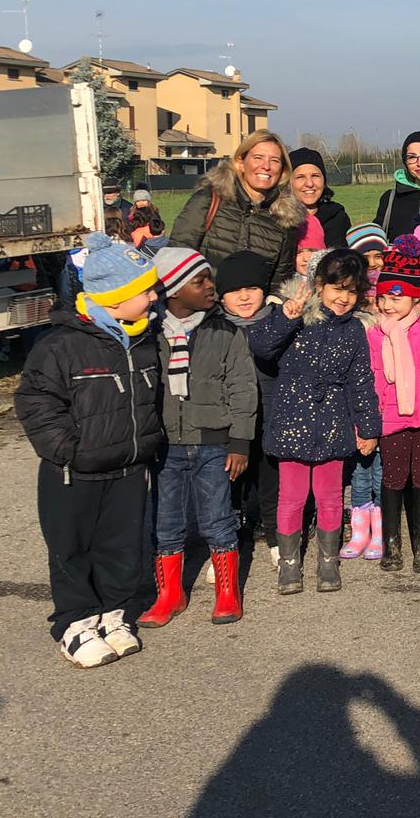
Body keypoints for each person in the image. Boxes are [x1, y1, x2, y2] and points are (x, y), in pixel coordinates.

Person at [14, 233, 161, 668]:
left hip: (130, 467)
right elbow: (37, 404)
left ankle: (113, 615)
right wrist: (69, 449)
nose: (155, 297)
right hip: (74, 472)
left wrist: (149, 441)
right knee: (73, 548)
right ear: (115, 299)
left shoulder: (144, 340)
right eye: (145, 291)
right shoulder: (60, 346)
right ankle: (76, 623)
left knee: (122, 546)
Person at [248, 250, 380, 596]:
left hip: (334, 420)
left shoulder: (354, 331)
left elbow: (361, 380)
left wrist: (368, 427)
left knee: (330, 496)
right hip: (293, 416)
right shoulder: (296, 317)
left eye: (351, 292)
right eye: (337, 288)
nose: (344, 298)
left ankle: (327, 559)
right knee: (291, 497)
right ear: (319, 285)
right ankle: (289, 564)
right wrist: (286, 317)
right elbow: (260, 346)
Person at [138, 248, 257, 627]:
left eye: (209, 279)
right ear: (173, 289)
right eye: (199, 281)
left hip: (213, 442)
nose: (211, 287)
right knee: (167, 522)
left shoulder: (224, 331)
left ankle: (227, 592)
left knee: (218, 518)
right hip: (166, 443)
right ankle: (169, 594)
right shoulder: (150, 335)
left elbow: (242, 388)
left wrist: (239, 441)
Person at [361, 235, 420, 574]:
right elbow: (369, 378)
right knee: (394, 478)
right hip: (391, 418)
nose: (387, 304)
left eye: (395, 297)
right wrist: (367, 421)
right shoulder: (374, 331)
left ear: (415, 295)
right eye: (383, 296)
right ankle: (392, 543)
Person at [172, 130, 305, 290]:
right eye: (258, 158)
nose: (266, 166)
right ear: (241, 162)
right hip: (204, 309)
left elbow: (279, 283)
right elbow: (177, 258)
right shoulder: (209, 200)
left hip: (253, 313)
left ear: (282, 170)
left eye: (275, 160)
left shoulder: (284, 219)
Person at [216, 251, 283, 568]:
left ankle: (276, 540)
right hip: (230, 426)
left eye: (252, 288)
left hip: (272, 418)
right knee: (232, 488)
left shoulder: (278, 322)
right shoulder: (215, 329)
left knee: (272, 485)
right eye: (234, 290)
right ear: (221, 296)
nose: (244, 296)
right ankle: (229, 545)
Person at [289, 148, 352, 248]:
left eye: (315, 176)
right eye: (300, 177)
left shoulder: (338, 218)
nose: (309, 184)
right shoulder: (280, 220)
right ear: (288, 182)